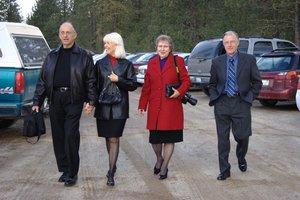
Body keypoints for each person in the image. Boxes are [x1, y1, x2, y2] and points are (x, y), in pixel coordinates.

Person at [32, 22, 97, 187]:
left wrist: (91, 101)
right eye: (62, 32)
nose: (65, 35)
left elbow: (91, 80)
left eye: (68, 32)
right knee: (59, 136)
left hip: (74, 99)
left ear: (75, 35)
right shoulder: (51, 56)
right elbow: (42, 80)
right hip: (55, 100)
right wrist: (36, 102)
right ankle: (65, 169)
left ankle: (72, 173)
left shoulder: (84, 56)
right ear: (59, 35)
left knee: (70, 135)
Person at [208, 31, 262, 180]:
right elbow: (212, 84)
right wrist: (215, 97)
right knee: (222, 139)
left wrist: (249, 98)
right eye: (226, 42)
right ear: (223, 45)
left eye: (232, 42)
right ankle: (224, 170)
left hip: (241, 102)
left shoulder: (249, 60)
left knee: (242, 136)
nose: (229, 45)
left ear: (238, 43)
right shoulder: (217, 61)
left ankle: (241, 157)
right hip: (222, 103)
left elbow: (257, 82)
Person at [138, 35, 191, 180]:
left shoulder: (177, 61)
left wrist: (179, 92)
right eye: (160, 46)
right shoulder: (152, 62)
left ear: (170, 48)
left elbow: (186, 81)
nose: (162, 49)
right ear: (156, 47)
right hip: (155, 106)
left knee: (169, 139)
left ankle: (164, 166)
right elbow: (147, 86)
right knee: (155, 140)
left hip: (171, 106)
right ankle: (159, 158)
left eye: (165, 46)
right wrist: (143, 104)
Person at [94, 32, 137, 186]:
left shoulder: (127, 64)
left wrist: (119, 80)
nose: (105, 46)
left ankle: (111, 172)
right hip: (103, 107)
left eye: (108, 43)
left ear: (116, 45)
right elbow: (94, 86)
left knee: (114, 138)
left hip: (119, 108)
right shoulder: (99, 64)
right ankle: (113, 163)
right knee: (107, 137)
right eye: (105, 43)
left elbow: (133, 85)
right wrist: (90, 103)